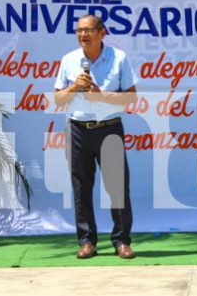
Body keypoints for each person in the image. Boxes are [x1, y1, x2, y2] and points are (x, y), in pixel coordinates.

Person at [53, 15, 138, 259]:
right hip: (78, 129)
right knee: (81, 188)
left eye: (88, 30)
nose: (83, 35)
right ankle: (87, 241)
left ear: (102, 33)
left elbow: (131, 98)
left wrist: (101, 96)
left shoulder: (119, 58)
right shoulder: (69, 60)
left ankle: (122, 241)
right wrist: (73, 87)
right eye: (79, 30)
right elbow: (58, 99)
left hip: (109, 128)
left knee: (117, 187)